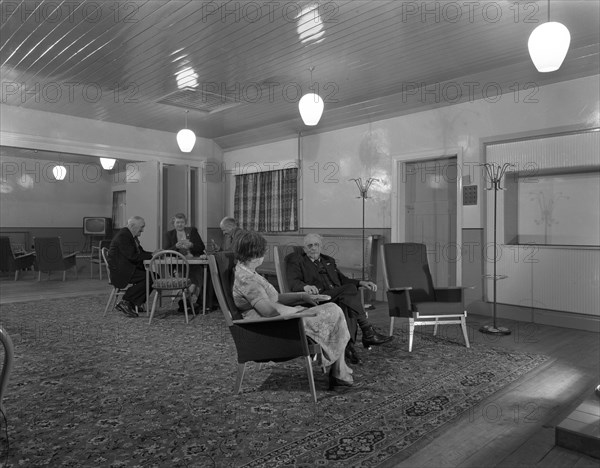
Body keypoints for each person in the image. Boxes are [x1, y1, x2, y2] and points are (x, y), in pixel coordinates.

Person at [232, 230, 354, 389]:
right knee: (335, 312)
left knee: (333, 308)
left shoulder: (247, 272)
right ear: (255, 254)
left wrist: (302, 297)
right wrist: (298, 311)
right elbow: (269, 311)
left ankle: (339, 368)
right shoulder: (247, 280)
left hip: (279, 321)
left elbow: (273, 298)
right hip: (274, 328)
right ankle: (339, 370)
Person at [286, 233, 393, 364]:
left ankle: (348, 347)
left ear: (321, 247)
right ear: (304, 248)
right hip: (319, 297)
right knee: (350, 291)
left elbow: (343, 280)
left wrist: (361, 283)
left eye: (316, 245)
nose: (313, 248)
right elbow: (293, 282)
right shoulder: (296, 261)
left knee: (347, 305)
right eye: (309, 245)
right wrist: (305, 287)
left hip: (337, 295)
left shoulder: (328, 260)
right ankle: (367, 332)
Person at [163, 213, 217, 311]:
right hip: (178, 265)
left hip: (194, 263)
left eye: (182, 222)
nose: (180, 225)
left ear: (185, 223)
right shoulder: (169, 234)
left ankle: (186, 301)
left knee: (195, 277)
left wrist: (191, 245)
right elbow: (166, 251)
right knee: (187, 281)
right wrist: (176, 246)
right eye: (177, 222)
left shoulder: (192, 231)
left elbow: (201, 247)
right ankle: (187, 301)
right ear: (173, 223)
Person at [108, 216, 153, 318]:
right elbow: (133, 256)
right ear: (132, 226)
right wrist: (153, 255)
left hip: (127, 269)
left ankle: (133, 303)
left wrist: (153, 253)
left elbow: (141, 253)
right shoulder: (123, 236)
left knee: (153, 276)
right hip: (122, 272)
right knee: (151, 277)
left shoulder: (130, 236)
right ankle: (126, 301)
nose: (142, 230)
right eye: (141, 227)